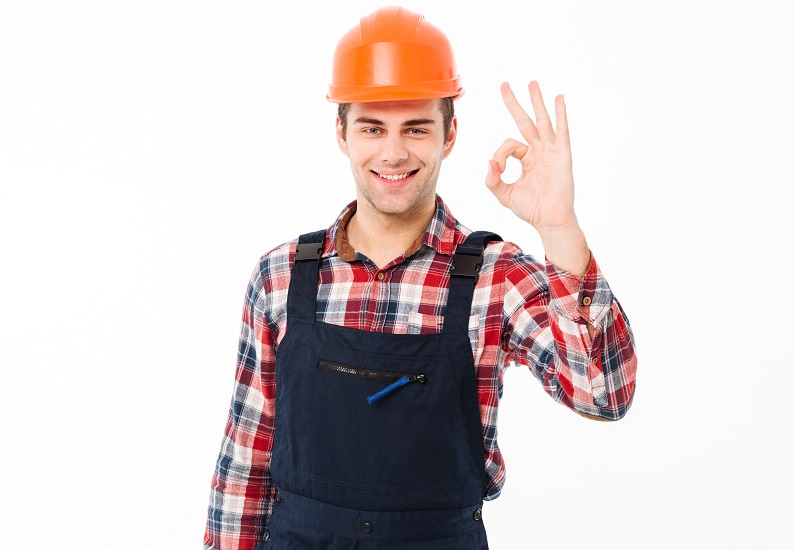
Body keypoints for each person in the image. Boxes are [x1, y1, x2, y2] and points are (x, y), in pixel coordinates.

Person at [204, 6, 637, 549]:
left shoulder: (494, 279)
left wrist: (560, 227)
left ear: (449, 133)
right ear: (341, 133)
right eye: (371, 127)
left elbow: (605, 393)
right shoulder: (280, 277)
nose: (393, 152)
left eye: (415, 127)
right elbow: (245, 460)